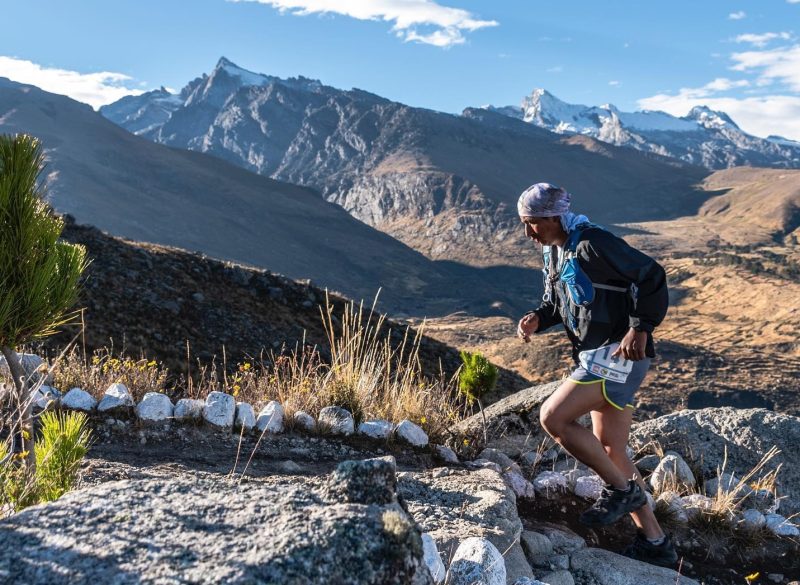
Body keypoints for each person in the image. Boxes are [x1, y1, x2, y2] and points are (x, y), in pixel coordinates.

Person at [515, 182, 678, 568]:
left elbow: (651, 274)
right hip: (600, 357)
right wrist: (540, 318)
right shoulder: (556, 252)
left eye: (531, 224)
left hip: (616, 356)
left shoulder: (592, 243)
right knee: (611, 450)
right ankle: (656, 543)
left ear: (552, 218)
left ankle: (621, 491)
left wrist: (640, 326)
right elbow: (562, 301)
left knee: (553, 417)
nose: (527, 233)